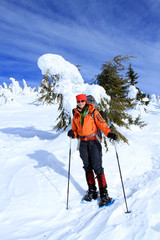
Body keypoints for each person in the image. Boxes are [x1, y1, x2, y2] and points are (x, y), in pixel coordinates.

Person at [67, 94, 117, 207]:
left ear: (86, 101)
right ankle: (92, 190)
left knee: (97, 167)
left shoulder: (93, 112)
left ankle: (104, 193)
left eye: (82, 101)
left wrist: (109, 133)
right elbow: (75, 130)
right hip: (83, 143)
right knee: (87, 167)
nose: (80, 103)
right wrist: (72, 133)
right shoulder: (76, 115)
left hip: (94, 142)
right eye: (78, 101)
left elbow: (102, 125)